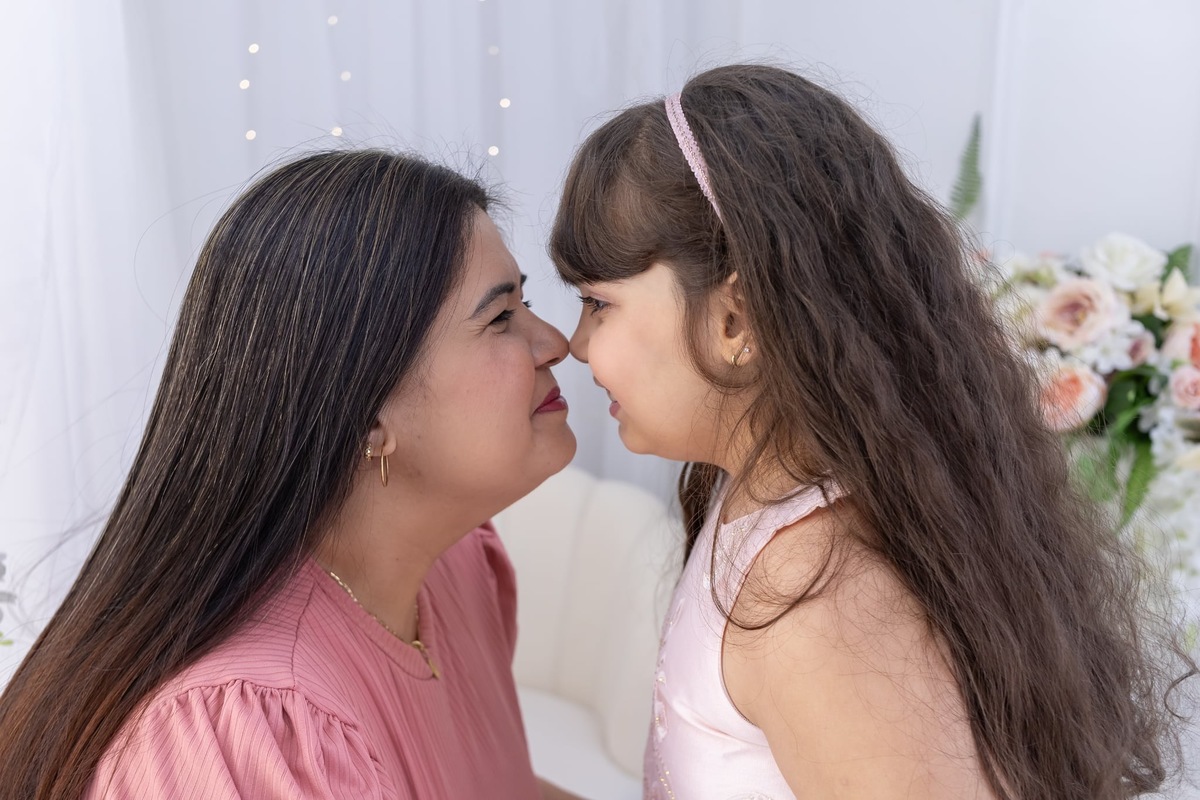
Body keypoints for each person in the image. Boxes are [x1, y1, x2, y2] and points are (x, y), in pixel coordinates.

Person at [550, 64, 1195, 800]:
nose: (575, 343)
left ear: (736, 320)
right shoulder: (758, 508)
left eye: (598, 303)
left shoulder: (813, 601)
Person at [0, 149, 583, 799]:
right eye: (500, 317)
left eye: (524, 302)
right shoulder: (248, 730)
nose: (555, 341)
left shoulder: (459, 568)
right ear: (364, 411)